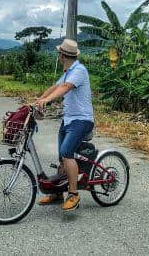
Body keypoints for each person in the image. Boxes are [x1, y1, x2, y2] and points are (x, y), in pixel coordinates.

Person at [35, 38, 93, 212]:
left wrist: (47, 100)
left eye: (59, 53)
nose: (58, 56)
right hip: (69, 120)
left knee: (67, 152)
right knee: (62, 156)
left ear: (63, 55)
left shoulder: (79, 70)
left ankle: (73, 194)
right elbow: (56, 87)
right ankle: (58, 192)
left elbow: (66, 87)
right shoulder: (68, 72)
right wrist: (39, 100)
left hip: (82, 120)